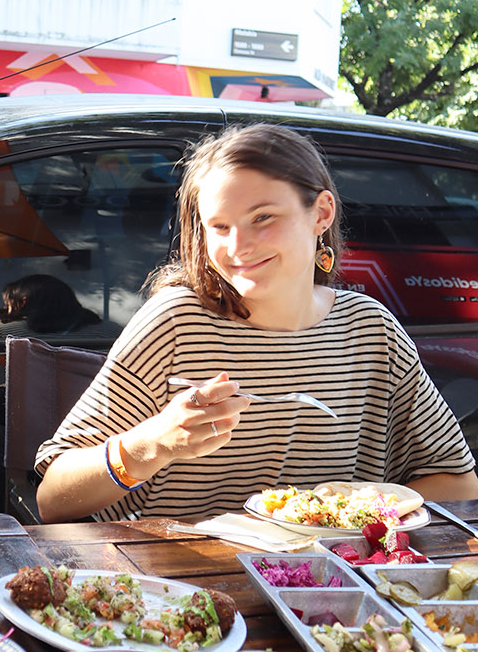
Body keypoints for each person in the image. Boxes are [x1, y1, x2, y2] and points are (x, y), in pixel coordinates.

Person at [35, 123, 478, 523]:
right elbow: (53, 498)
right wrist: (151, 444)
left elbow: (457, 483)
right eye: (220, 226)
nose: (239, 246)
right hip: (175, 593)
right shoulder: (175, 322)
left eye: (262, 218)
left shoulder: (371, 331)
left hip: (326, 592)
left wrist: (349, 522)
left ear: (321, 214)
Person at [0, 274, 119, 342]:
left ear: (22, 302)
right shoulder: (110, 332)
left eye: (7, 305)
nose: (6, 310)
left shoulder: (3, 332)